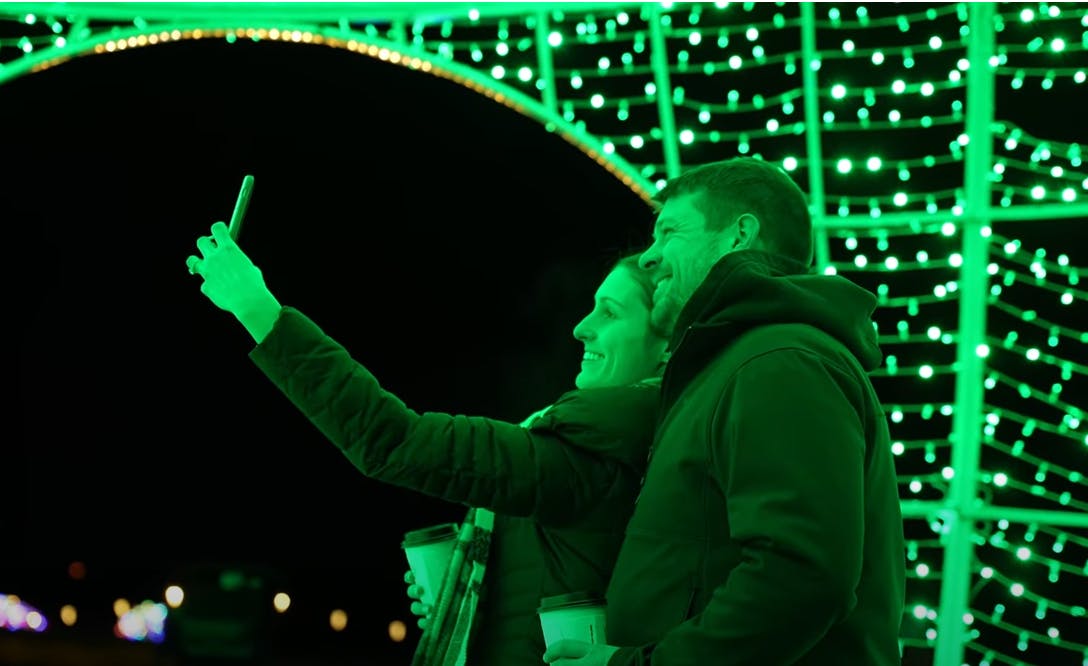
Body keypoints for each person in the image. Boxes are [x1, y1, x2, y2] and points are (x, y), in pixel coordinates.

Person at [185, 224, 671, 666]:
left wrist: (258, 309)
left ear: (667, 346)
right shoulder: (646, 448)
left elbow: (394, 441)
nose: (581, 327)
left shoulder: (582, 454)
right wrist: (471, 597)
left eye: (610, 312)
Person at [544, 157, 906, 665]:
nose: (649, 259)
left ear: (738, 235)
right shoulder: (737, 366)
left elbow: (801, 577)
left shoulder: (779, 362)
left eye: (668, 232)